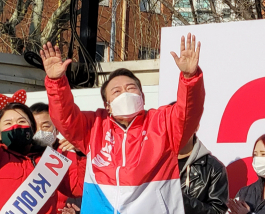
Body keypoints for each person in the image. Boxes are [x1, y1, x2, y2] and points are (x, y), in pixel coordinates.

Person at [40, 33, 204, 214]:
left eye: (131, 88)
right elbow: (65, 117)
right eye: (116, 91)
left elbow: (189, 112)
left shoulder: (162, 123)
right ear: (107, 105)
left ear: (142, 96)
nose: (125, 93)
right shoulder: (94, 126)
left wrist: (190, 78)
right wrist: (56, 82)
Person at [0, 78, 84, 214]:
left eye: (22, 121)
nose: (16, 125)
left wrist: (81, 153)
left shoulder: (52, 159)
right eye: (8, 123)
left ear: (31, 128)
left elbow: (77, 187)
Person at [29, 103, 83, 212]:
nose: (39, 131)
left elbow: (81, 192)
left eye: (45, 126)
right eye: (34, 127)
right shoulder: (20, 159)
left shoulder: (72, 159)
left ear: (56, 129)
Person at [178, 132, 228, 214]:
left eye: (184, 124)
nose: (178, 129)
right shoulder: (155, 164)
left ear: (196, 126)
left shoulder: (214, 168)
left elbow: (217, 211)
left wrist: (182, 200)